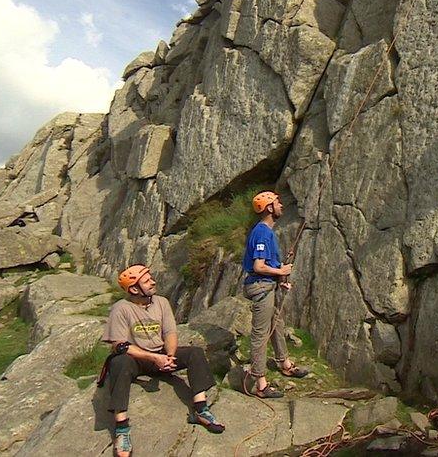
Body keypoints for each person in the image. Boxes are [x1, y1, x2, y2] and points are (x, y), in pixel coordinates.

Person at [101, 264, 224, 457]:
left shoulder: (161, 302)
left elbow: (170, 332)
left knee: (195, 353)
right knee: (119, 362)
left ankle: (201, 409)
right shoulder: (121, 309)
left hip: (161, 353)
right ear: (134, 289)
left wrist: (169, 356)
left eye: (151, 278)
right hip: (136, 358)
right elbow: (120, 345)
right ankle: (122, 429)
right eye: (147, 280)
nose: (153, 282)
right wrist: (154, 357)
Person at [241, 191, 309, 399]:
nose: (281, 206)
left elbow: (267, 264)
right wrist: (280, 272)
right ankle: (260, 383)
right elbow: (258, 265)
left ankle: (284, 363)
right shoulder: (262, 233)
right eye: (278, 203)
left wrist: (280, 276)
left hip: (267, 284)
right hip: (261, 286)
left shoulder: (267, 232)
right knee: (261, 333)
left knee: (277, 325)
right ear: (269, 208)